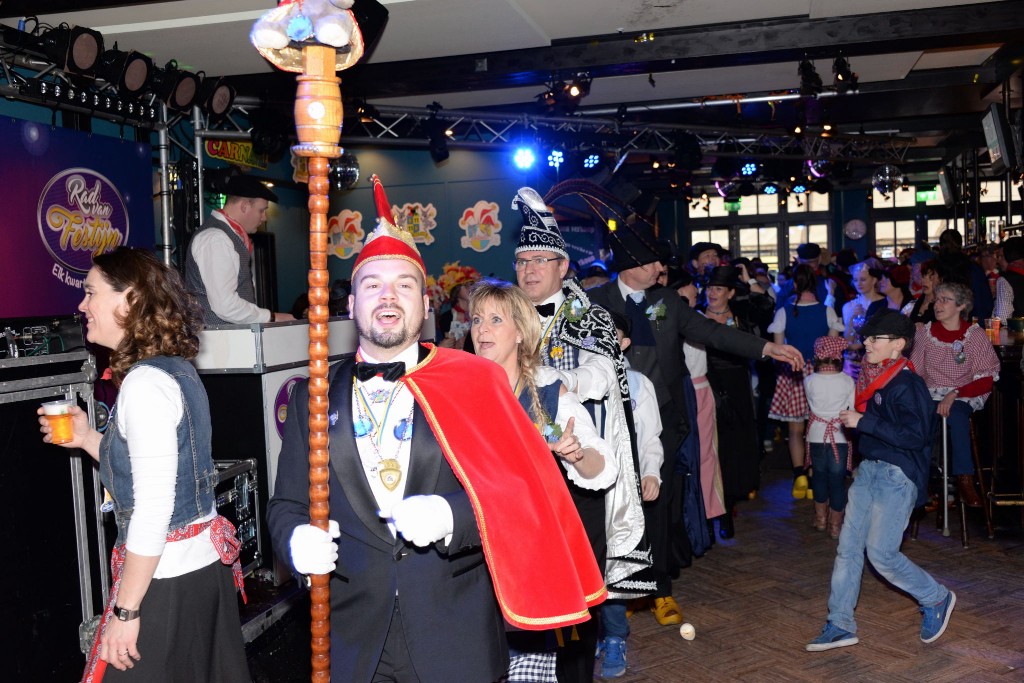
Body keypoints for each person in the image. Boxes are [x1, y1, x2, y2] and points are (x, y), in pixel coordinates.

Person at [267, 177, 605, 683]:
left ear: (426, 304)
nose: (387, 297)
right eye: (371, 285)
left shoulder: (475, 382)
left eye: (404, 285)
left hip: (457, 634)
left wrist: (452, 515)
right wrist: (295, 541)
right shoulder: (313, 396)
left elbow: (521, 495)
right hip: (352, 639)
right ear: (352, 303)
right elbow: (287, 504)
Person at [39, 247, 249, 682]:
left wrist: (126, 611)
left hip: (167, 579)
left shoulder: (145, 384)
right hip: (198, 569)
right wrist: (86, 438)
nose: (82, 305)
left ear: (129, 301)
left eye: (90, 292)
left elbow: (154, 509)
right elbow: (153, 470)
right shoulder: (174, 369)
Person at [511, 186, 650, 681]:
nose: (529, 270)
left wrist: (565, 381)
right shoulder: (501, 316)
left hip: (576, 469)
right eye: (522, 259)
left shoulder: (589, 315)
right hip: (518, 476)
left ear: (563, 267)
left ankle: (576, 670)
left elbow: (607, 374)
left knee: (580, 584)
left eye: (540, 260)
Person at [469, 279, 618, 683]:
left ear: (520, 331)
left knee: (525, 671)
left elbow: (603, 468)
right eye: (477, 319)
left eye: (495, 320)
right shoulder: (460, 390)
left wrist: (575, 453)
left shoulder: (549, 393)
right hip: (470, 556)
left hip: (526, 560)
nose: (481, 329)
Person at [807, 309, 957, 652]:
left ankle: (936, 597)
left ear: (898, 345)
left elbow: (916, 436)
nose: (867, 344)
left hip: (897, 475)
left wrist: (864, 422)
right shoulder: (878, 377)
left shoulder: (908, 384)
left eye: (876, 339)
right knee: (847, 549)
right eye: (866, 337)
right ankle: (840, 623)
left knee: (882, 555)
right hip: (870, 470)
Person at [599, 310, 665, 679]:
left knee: (614, 564)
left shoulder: (639, 384)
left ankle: (615, 637)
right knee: (588, 564)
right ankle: (592, 633)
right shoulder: (576, 381)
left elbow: (651, 436)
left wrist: (651, 472)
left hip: (622, 488)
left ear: (623, 343)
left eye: (609, 334)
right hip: (582, 486)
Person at [697, 265, 775, 536]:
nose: (712, 293)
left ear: (730, 292)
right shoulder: (696, 316)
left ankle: (727, 507)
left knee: (734, 447)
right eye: (709, 288)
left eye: (719, 288)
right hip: (708, 385)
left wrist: (748, 279)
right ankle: (710, 510)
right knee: (710, 449)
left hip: (738, 386)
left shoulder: (741, 314)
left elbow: (767, 304)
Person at [910, 282, 1000, 507]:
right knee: (922, 417)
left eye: (945, 300)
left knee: (957, 416)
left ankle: (964, 478)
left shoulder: (974, 335)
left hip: (963, 394)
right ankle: (925, 479)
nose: (937, 304)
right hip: (932, 393)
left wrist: (955, 393)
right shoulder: (926, 333)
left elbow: (986, 379)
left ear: (961, 306)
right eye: (937, 300)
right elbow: (915, 372)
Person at [767, 263, 845, 500]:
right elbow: (831, 351)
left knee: (795, 429)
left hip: (793, 370)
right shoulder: (827, 311)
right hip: (821, 374)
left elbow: (779, 349)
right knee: (816, 425)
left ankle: (799, 475)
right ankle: (813, 476)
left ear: (796, 284)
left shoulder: (783, 312)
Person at [185, 174, 294, 325]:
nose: (264, 218)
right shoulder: (216, 238)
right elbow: (225, 306)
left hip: (229, 343)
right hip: (220, 344)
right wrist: (271, 317)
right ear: (244, 206)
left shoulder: (226, 237)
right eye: (261, 210)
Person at [803, 336, 856, 539]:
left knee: (819, 477)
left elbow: (811, 406)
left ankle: (821, 520)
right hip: (839, 436)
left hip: (816, 434)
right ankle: (835, 526)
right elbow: (851, 409)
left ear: (817, 356)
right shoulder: (847, 380)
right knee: (837, 480)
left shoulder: (809, 380)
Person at [841, 262, 887, 379]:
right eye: (855, 280)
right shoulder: (849, 306)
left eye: (863, 279)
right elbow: (847, 339)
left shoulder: (885, 303)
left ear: (874, 280)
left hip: (877, 360)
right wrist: (852, 317)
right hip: (852, 363)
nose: (858, 284)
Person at [993, 236, 1024, 321]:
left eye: (1001, 256)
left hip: (1017, 333)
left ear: (1008, 257)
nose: (998, 261)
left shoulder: (1005, 280)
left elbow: (1003, 318)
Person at [436, 281, 473, 349]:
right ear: (456, 290)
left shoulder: (479, 315)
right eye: (466, 285)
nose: (471, 287)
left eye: (471, 284)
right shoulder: (445, 318)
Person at [907, 258, 941, 325]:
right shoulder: (917, 301)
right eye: (923, 276)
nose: (924, 281)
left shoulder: (940, 306)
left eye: (930, 278)